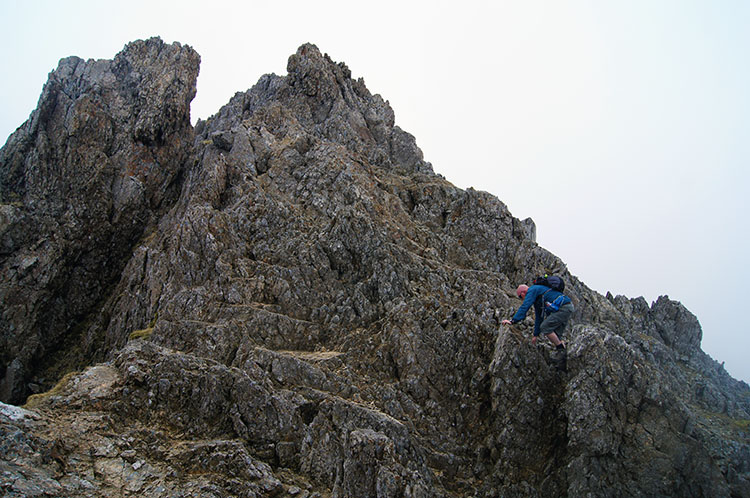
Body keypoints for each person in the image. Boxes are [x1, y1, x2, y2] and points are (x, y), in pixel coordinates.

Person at [501, 283, 574, 353]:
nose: (521, 299)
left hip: (563, 308)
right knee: (556, 335)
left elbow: (525, 306)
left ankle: (560, 348)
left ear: (523, 293)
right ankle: (562, 354)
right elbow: (539, 316)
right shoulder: (538, 296)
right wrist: (536, 335)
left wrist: (513, 321)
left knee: (545, 327)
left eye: (520, 297)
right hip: (567, 306)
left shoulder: (532, 290)